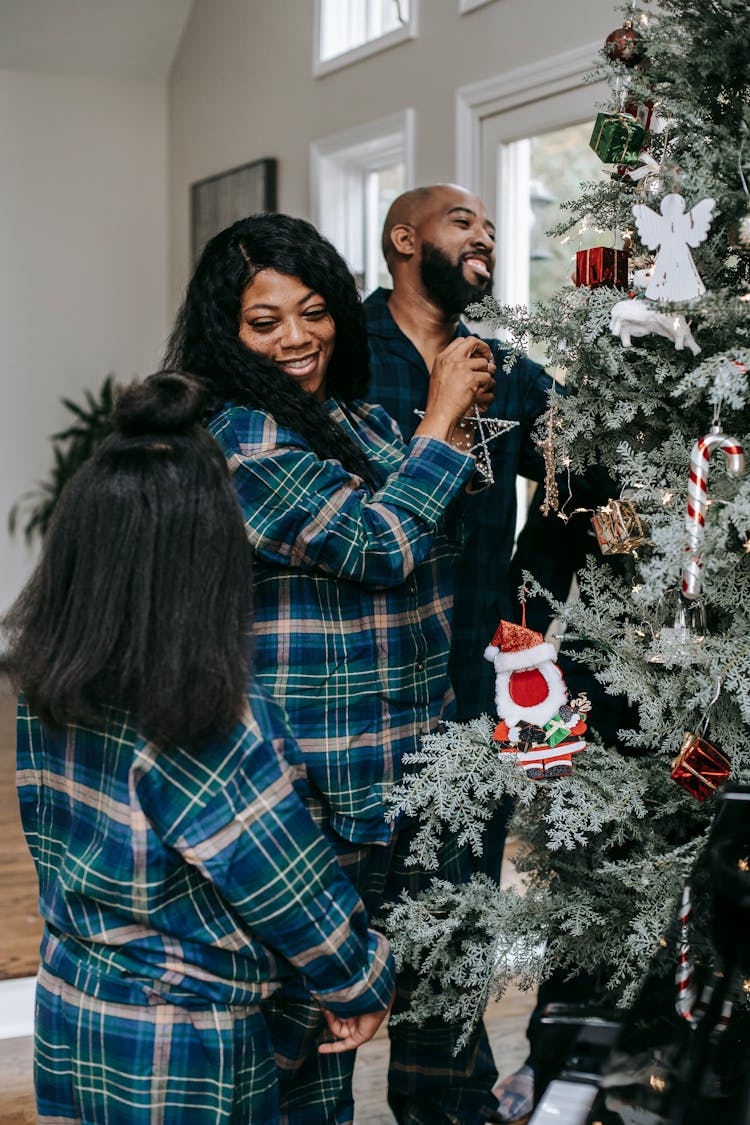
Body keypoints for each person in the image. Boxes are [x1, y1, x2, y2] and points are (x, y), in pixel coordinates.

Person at [163, 213, 500, 1123]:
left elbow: (446, 520)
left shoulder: (352, 416)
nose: (297, 338)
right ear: (223, 333)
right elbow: (380, 541)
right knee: (307, 1060)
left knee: (430, 1021)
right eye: (264, 322)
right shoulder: (238, 439)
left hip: (411, 777)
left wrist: (441, 435)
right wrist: (440, 416)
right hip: (314, 793)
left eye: (313, 312)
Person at [5, 372, 396, 1124]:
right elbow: (290, 885)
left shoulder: (47, 672)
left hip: (75, 1002)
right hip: (180, 1036)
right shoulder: (204, 716)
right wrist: (359, 979)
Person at [364, 183, 587, 1124]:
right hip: (358, 688)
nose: (486, 237)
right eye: (465, 222)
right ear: (404, 237)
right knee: (342, 921)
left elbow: (585, 470)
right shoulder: (338, 357)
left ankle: (446, 1107)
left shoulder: (512, 374)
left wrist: (526, 598)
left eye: (492, 227)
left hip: (467, 685)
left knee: (455, 917)